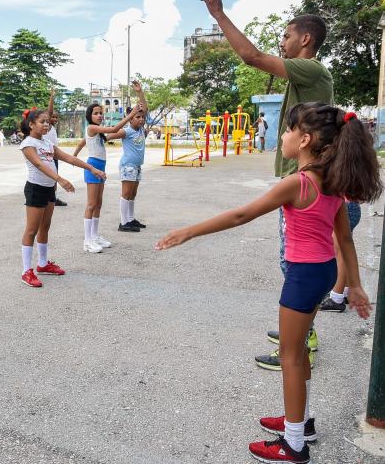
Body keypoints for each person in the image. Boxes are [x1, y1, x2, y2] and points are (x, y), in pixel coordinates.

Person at [156, 103, 381, 464]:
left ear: (305, 139)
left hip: (304, 276)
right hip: (322, 271)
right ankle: (301, 423)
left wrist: (189, 231)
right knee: (301, 351)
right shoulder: (332, 181)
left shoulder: (299, 182)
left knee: (290, 357)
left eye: (289, 131)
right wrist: (352, 284)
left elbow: (241, 214)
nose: (283, 137)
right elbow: (346, 240)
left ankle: (294, 445)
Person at [201, 0, 333, 369]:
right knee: (299, 263)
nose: (282, 41)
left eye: (288, 35)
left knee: (295, 266)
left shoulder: (311, 69)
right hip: (308, 181)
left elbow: (251, 56)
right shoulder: (305, 76)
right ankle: (302, 329)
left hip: (302, 183)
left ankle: (299, 341)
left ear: (305, 39)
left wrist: (219, 14)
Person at [19, 108, 106, 288]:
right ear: (31, 125)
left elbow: (69, 158)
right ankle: (26, 271)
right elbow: (38, 164)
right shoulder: (28, 143)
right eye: (42, 121)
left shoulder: (48, 144)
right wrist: (60, 180)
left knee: (45, 227)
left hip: (49, 188)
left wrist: (92, 169)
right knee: (31, 230)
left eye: (47, 122)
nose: (46, 124)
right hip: (35, 189)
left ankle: (42, 264)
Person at [74, 103, 140, 253]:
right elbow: (114, 129)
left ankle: (95, 236)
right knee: (91, 204)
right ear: (89, 116)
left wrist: (75, 154)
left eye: (101, 113)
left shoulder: (95, 131)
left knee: (98, 203)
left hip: (100, 166)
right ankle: (87, 240)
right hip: (93, 167)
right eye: (96, 113)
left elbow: (83, 141)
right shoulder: (92, 128)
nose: (99, 115)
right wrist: (130, 115)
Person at [118, 80, 149, 233]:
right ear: (130, 119)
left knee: (133, 193)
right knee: (126, 193)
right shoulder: (127, 131)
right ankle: (123, 222)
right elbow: (111, 135)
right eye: (138, 117)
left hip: (137, 166)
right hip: (128, 165)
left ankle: (130, 219)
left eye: (142, 118)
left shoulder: (141, 131)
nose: (141, 119)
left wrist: (139, 92)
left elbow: (145, 108)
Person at [43, 90, 67, 207]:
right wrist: (52, 96)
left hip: (54, 156)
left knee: (55, 177)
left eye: (57, 117)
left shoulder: (52, 128)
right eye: (53, 117)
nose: (55, 119)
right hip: (46, 156)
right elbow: (49, 111)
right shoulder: (47, 126)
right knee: (48, 177)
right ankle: (47, 197)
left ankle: (53, 197)